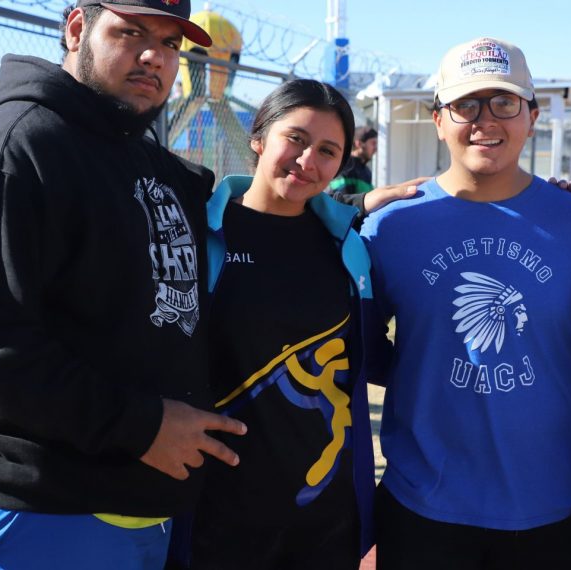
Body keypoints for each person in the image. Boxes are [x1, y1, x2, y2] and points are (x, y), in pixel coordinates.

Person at [0, 1, 250, 568]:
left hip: (142, 499)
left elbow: (245, 221)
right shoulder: (12, 152)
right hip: (36, 504)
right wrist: (142, 427)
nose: (154, 57)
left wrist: (352, 211)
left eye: (170, 43)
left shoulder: (142, 156)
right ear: (77, 29)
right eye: (132, 33)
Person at [360, 37, 571, 569]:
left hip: (550, 506)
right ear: (438, 120)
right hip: (423, 505)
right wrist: (418, 373)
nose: (485, 121)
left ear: (532, 116)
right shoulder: (392, 225)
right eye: (465, 105)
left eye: (504, 103)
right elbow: (359, 340)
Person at [180, 78, 377, 570]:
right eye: (296, 139)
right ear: (259, 138)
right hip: (218, 511)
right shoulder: (199, 233)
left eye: (328, 151)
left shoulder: (349, 247)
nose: (308, 160)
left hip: (324, 515)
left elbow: (374, 353)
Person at [329, 125, 378, 195]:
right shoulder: (344, 166)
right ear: (359, 144)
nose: (376, 148)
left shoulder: (367, 172)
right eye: (373, 143)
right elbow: (341, 198)